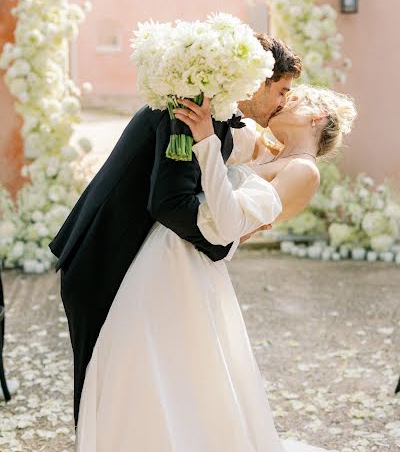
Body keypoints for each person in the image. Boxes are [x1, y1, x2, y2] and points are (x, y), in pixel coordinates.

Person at [75, 85, 356, 451]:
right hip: (162, 248)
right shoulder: (261, 149)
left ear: (315, 117)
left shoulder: (303, 171)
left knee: (171, 360)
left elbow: (227, 225)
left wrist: (206, 142)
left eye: (293, 97)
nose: (283, 100)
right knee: (139, 358)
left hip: (192, 261)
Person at [49, 35, 302, 427]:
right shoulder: (188, 106)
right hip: (101, 256)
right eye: (282, 90)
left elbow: (215, 162)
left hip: (128, 258)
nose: (283, 101)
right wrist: (220, 245)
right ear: (260, 80)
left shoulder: (212, 113)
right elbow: (168, 202)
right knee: (98, 388)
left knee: (125, 387)